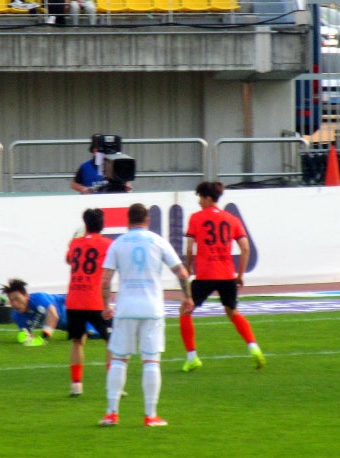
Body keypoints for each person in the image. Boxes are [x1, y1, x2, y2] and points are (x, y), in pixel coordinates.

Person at [98, 203, 193, 427]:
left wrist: (105, 305)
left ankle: (112, 413)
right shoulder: (158, 241)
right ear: (147, 220)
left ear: (127, 220)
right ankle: (150, 415)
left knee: (119, 359)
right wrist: (187, 297)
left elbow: (105, 280)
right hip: (152, 308)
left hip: (126, 308)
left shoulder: (118, 243)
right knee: (151, 361)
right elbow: (181, 271)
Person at [179, 181, 265, 372]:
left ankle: (192, 357)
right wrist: (240, 275)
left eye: (201, 198)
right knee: (233, 313)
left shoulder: (196, 218)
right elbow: (245, 248)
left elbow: (189, 247)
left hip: (206, 274)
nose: (199, 202)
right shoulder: (231, 219)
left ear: (208, 198)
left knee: (185, 310)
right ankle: (254, 347)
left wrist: (189, 267)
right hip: (227, 274)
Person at [66, 208, 113, 397]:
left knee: (77, 341)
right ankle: (113, 383)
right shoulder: (107, 244)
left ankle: (76, 385)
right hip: (94, 300)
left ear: (85, 225)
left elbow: (69, 260)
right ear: (102, 225)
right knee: (112, 341)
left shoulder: (75, 243)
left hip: (74, 298)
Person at [4, 278, 68, 345]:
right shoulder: (17, 316)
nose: (14, 304)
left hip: (75, 310)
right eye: (11, 300)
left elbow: (53, 315)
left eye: (17, 299)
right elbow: (27, 335)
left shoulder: (38, 298)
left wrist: (43, 339)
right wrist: (27, 339)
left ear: (26, 296)